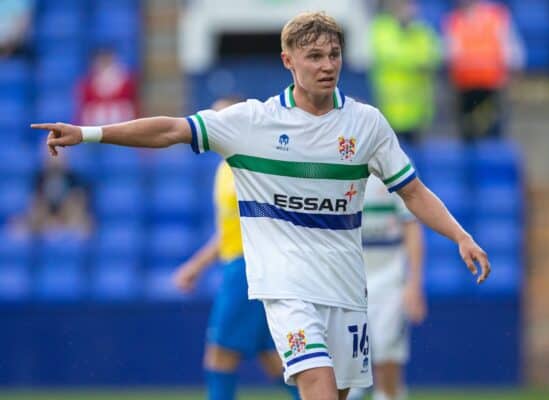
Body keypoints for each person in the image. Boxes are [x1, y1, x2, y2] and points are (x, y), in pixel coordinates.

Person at [32, 12, 491, 400]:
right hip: (287, 288)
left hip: (348, 289)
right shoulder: (253, 122)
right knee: (317, 384)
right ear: (288, 61)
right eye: (314, 56)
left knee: (341, 393)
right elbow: (170, 129)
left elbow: (412, 191)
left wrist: (461, 236)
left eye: (333, 55)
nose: (327, 65)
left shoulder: (366, 125)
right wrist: (89, 133)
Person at [172, 97, 300, 400]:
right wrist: (196, 266)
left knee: (219, 355)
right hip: (240, 263)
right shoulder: (224, 168)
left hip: (248, 268)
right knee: (274, 361)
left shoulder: (251, 164)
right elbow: (229, 230)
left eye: (223, 117)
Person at [348, 176, 425, 400]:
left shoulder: (392, 167)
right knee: (347, 364)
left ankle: (389, 394)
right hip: (350, 278)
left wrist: (414, 284)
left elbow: (412, 228)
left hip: (390, 279)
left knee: (386, 355)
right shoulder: (340, 164)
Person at [443, 0, 524, 141]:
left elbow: (513, 51)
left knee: (492, 135)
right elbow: (449, 54)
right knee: (468, 136)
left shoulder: (496, 15)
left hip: (491, 89)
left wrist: (511, 77)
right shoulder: (454, 20)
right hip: (465, 90)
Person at [370, 0, 441, 144]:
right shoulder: (382, 28)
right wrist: (417, 60)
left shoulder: (421, 30)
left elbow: (433, 56)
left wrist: (417, 58)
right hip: (390, 109)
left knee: (418, 159)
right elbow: (389, 54)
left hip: (419, 110)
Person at [10, 146, 93, 237]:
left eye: (59, 152)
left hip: (69, 221)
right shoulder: (38, 179)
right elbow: (35, 208)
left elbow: (81, 210)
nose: (55, 158)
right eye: (51, 151)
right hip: (45, 222)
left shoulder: (77, 180)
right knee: (18, 227)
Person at [76, 48, 139, 126]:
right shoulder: (87, 85)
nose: (105, 65)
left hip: (122, 129)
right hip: (95, 129)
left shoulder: (127, 83)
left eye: (107, 61)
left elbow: (135, 107)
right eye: (102, 61)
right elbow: (82, 111)